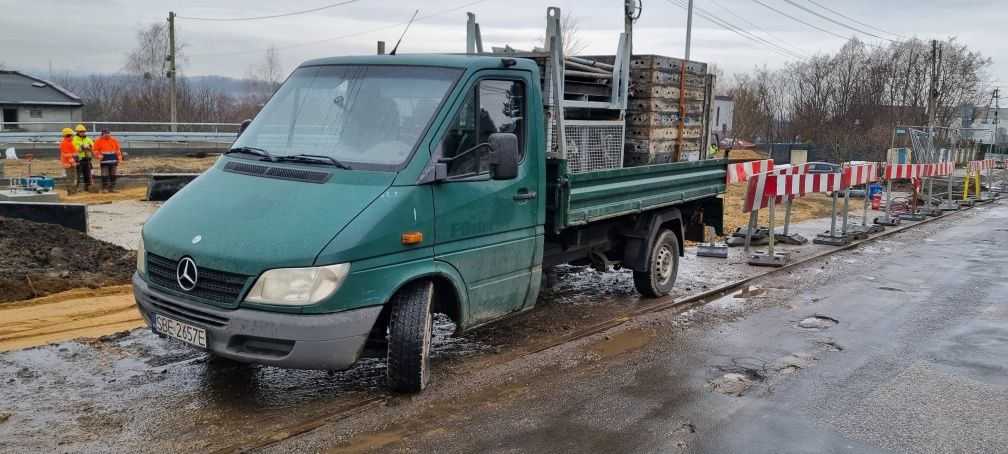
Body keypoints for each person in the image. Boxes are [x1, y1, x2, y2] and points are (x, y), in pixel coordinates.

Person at [71, 124, 96, 192]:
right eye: (81, 132)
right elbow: (74, 149)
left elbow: (93, 147)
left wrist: (89, 147)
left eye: (83, 132)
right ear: (77, 132)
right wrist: (82, 147)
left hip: (87, 159)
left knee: (87, 174)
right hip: (78, 159)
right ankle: (75, 188)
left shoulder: (88, 139)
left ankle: (88, 187)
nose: (82, 133)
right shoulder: (74, 139)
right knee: (77, 175)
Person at [59, 128, 79, 195]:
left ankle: (73, 191)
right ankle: (72, 192)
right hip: (69, 164)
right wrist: (73, 162)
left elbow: (72, 153)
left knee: (72, 177)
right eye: (72, 135)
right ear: (68, 135)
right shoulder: (65, 143)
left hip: (70, 163)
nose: (73, 136)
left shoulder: (68, 142)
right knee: (71, 178)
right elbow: (68, 155)